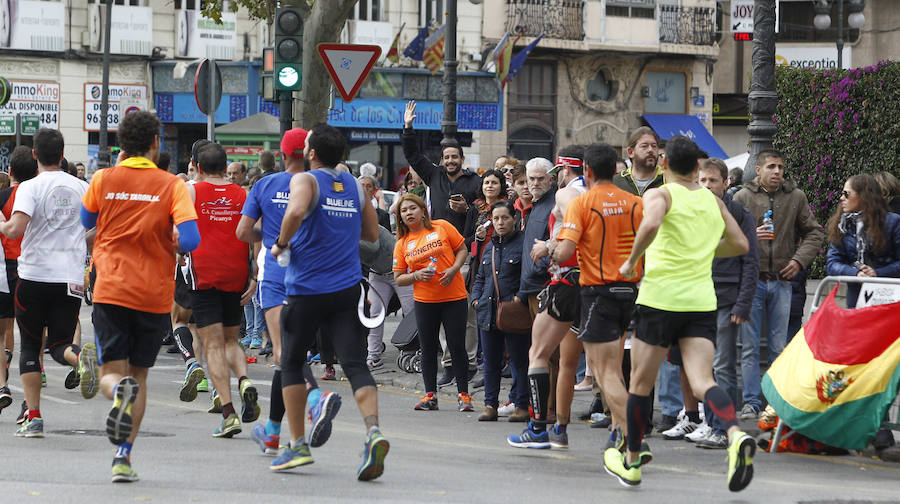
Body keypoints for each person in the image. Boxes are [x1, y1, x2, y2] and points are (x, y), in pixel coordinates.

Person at [608, 136, 754, 491]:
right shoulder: (713, 200)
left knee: (640, 384)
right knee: (704, 380)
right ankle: (735, 436)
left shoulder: (660, 194)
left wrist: (631, 261)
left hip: (660, 299)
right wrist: (702, 252)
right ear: (697, 169)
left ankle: (632, 461)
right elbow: (740, 244)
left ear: (663, 164)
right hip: (701, 301)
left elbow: (652, 224)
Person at [79, 111, 200, 482]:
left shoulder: (103, 178)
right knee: (140, 376)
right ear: (155, 144)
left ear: (120, 146)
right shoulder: (172, 185)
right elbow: (192, 239)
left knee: (110, 373)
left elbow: (87, 222)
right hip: (153, 294)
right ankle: (123, 457)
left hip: (111, 288)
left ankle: (117, 394)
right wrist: (174, 239)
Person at [270, 123, 388, 480]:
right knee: (355, 363)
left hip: (306, 289)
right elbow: (371, 235)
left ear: (312, 154)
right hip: (347, 287)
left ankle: (296, 445)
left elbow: (293, 213)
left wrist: (282, 242)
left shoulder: (306, 180)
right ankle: (373, 433)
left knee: (291, 362)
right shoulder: (352, 184)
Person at [236, 127, 341, 456]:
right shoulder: (322, 184)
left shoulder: (265, 184)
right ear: (309, 153)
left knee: (284, 353)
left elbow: (242, 232)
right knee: (287, 358)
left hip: (278, 273)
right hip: (316, 273)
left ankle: (314, 398)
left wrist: (270, 234)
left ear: (282, 154)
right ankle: (272, 432)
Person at [551, 142, 645, 459]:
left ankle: (634, 436)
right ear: (616, 170)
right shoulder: (635, 202)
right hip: (631, 292)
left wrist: (547, 247)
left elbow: (565, 252)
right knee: (614, 369)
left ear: (587, 171)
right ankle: (622, 434)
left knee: (605, 374)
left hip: (598, 292)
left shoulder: (582, 202)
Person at [0, 129, 90, 439]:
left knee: (30, 345)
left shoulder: (29, 187)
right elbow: (94, 230)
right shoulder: (82, 187)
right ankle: (78, 358)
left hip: (35, 275)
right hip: (69, 278)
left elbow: (14, 229)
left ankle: (34, 417)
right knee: (59, 343)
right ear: (62, 153)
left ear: (35, 155)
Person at [733, 149, 824, 419]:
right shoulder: (742, 197)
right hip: (753, 280)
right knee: (749, 347)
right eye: (771, 166)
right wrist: (750, 237)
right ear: (758, 170)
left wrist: (798, 261)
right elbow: (728, 235)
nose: (777, 172)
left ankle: (776, 402)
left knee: (779, 347)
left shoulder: (795, 197)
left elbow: (815, 232)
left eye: (781, 167)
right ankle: (751, 402)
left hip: (782, 280)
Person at [508, 146, 588, 448]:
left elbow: (572, 236)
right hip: (601, 285)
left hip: (567, 281)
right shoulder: (612, 196)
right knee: (595, 367)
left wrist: (549, 246)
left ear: (562, 170)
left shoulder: (567, 194)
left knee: (539, 354)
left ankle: (539, 428)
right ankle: (625, 438)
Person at [680, 158, 759, 449]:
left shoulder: (738, 213)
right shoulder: (690, 212)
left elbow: (750, 261)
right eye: (702, 180)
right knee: (702, 367)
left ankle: (723, 427)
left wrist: (743, 303)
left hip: (725, 299)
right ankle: (710, 422)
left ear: (726, 183)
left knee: (723, 365)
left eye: (712, 180)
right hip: (697, 297)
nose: (707, 186)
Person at [184, 142, 259, 438]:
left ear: (199, 168)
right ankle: (244, 379)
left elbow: (179, 230)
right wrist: (255, 275)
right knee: (231, 340)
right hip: (236, 272)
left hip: (204, 273)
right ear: (226, 167)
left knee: (212, 344)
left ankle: (228, 411)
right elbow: (255, 235)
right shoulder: (243, 194)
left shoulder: (191, 191)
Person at [393, 194, 473, 410]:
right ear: (400, 217)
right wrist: (416, 276)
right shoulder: (402, 243)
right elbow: (399, 278)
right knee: (427, 348)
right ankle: (430, 396)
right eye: (404, 210)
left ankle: (464, 395)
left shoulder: (442, 226)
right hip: (425, 301)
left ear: (422, 210)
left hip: (453, 297)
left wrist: (454, 269)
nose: (408, 213)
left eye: (412, 208)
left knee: (457, 346)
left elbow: (463, 250)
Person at [470, 200, 527, 421]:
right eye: (496, 219)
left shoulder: (523, 243)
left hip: (513, 311)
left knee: (519, 361)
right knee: (490, 363)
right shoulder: (490, 247)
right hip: (488, 311)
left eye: (505, 217)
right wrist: (476, 300)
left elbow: (528, 276)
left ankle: (521, 406)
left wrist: (520, 297)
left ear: (514, 218)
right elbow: (480, 278)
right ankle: (490, 406)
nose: (500, 222)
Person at [402, 100, 481, 233]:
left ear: (462, 159)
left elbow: (482, 211)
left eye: (455, 157)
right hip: (436, 240)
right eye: (447, 158)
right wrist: (408, 127)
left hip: (463, 243)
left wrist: (466, 209)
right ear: (442, 160)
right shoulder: (433, 174)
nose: (451, 161)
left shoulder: (475, 181)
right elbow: (412, 154)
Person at [0, 146, 38, 414]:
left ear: (10, 171)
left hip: (4, 271)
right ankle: (29, 402)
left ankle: (2, 385)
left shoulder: (2, 197)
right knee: (30, 336)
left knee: (0, 335)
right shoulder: (36, 197)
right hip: (31, 270)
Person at [826, 174, 900, 307]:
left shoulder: (893, 223)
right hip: (856, 300)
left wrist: (877, 273)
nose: (841, 198)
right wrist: (856, 273)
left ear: (863, 196)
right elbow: (832, 263)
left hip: (890, 299)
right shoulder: (843, 225)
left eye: (846, 194)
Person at [613, 127, 664, 196]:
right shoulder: (617, 182)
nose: (650, 150)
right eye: (644, 146)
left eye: (654, 146)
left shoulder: (667, 180)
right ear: (630, 152)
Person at [510, 164, 532, 230]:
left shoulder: (543, 209)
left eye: (529, 182)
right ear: (513, 186)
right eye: (521, 183)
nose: (526, 187)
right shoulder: (509, 210)